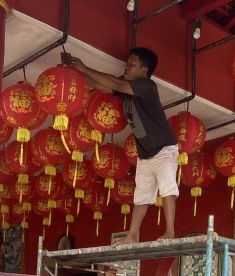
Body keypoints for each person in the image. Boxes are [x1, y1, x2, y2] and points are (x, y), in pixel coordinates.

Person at [68, 48, 178, 244]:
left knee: (167, 187)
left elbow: (116, 82)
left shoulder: (146, 85)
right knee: (141, 196)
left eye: (131, 65)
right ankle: (132, 235)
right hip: (145, 154)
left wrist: (85, 67)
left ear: (144, 70)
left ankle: (170, 231)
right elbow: (101, 85)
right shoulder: (128, 92)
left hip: (163, 148)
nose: (126, 67)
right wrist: (76, 74)